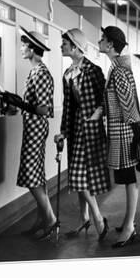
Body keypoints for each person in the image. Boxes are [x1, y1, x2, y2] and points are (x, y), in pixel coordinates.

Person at [0, 27, 57, 239]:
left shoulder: (40, 73)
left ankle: (50, 219)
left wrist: (20, 102)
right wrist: (16, 101)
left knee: (31, 176)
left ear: (33, 49)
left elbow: (43, 109)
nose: (21, 48)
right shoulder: (35, 72)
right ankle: (42, 218)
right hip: (33, 127)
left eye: (24, 45)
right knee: (36, 175)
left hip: (36, 127)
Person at [54, 28, 111, 241]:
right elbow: (67, 106)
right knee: (79, 177)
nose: (62, 46)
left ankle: (96, 217)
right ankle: (84, 218)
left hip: (93, 130)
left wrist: (96, 116)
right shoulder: (67, 74)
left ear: (76, 47)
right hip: (77, 129)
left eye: (65, 43)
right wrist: (63, 132)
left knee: (81, 177)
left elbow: (104, 101)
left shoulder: (94, 71)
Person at [97, 26, 140, 248]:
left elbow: (129, 106)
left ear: (111, 45)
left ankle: (130, 226)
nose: (100, 41)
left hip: (124, 132)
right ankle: (127, 222)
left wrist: (135, 135)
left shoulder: (119, 71)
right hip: (121, 131)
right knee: (126, 179)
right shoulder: (117, 68)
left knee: (128, 179)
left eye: (103, 39)